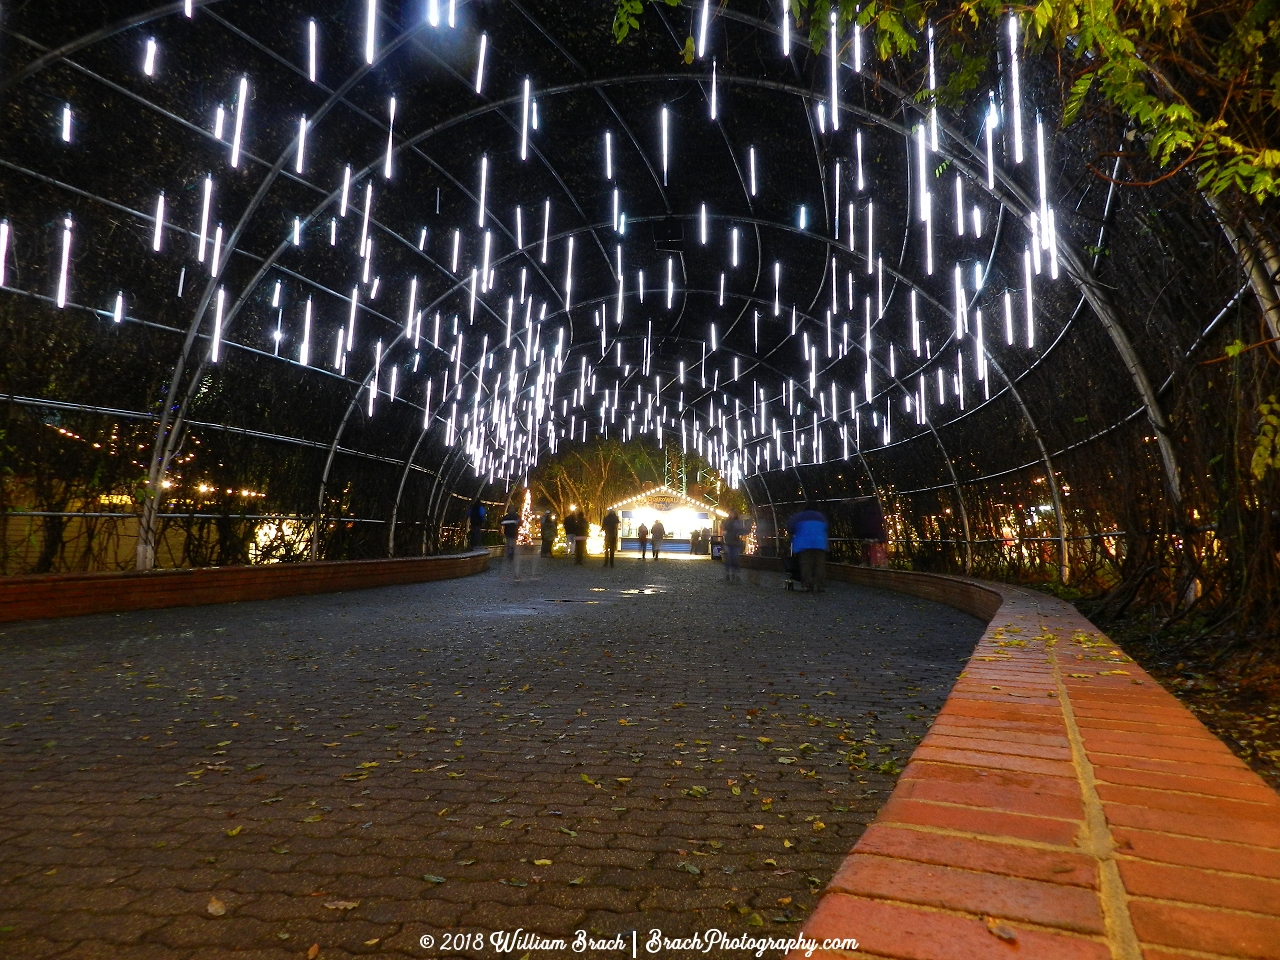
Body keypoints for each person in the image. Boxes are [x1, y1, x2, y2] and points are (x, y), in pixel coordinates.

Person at [788, 501, 829, 592]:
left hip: (804, 543)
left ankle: (807, 584)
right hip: (820, 543)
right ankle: (819, 585)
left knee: (806, 564)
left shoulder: (800, 516)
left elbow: (791, 527)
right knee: (819, 564)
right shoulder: (821, 517)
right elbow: (826, 527)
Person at [723, 510, 745, 583]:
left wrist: (739, 533)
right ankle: (728, 573)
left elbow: (741, 530)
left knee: (734, 558)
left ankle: (734, 573)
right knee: (729, 558)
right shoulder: (728, 522)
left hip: (735, 543)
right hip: (729, 542)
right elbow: (726, 528)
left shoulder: (738, 522)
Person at [500, 505, 521, 579]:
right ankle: (513, 573)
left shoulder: (511, 517)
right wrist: (513, 522)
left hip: (512, 536)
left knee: (511, 554)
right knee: (511, 554)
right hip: (510, 536)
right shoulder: (514, 517)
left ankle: (514, 573)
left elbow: (502, 522)